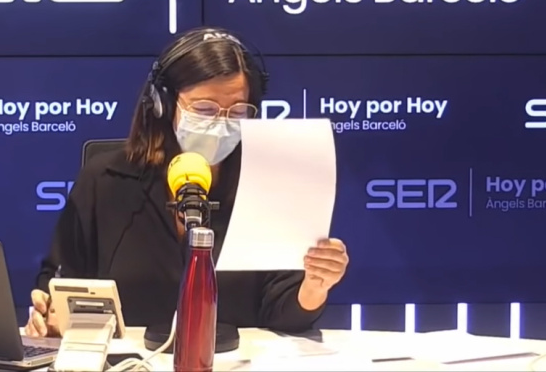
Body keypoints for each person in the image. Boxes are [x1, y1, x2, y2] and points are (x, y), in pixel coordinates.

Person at [25, 27, 349, 337]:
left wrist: (315, 285)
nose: (221, 123)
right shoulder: (104, 180)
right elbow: (60, 281)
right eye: (205, 109)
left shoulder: (270, 183)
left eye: (237, 111)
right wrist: (49, 312)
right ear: (163, 105)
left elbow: (282, 313)